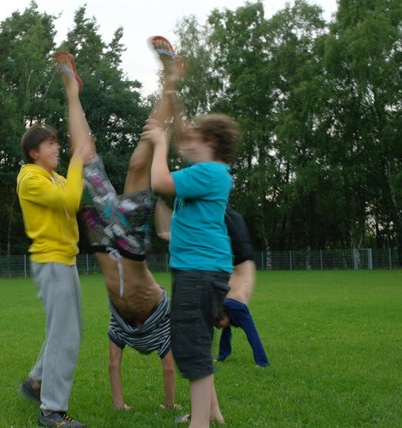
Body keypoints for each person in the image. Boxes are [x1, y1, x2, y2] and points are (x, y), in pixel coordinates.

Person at [75, 36, 183, 411]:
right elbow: (168, 366)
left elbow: (113, 364)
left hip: (106, 241)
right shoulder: (162, 325)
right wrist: (169, 405)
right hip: (131, 247)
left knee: (85, 160)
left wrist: (120, 405)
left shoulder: (119, 325)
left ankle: (71, 92)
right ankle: (171, 79)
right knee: (140, 163)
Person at [147, 80, 241, 426]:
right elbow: (187, 140)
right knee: (198, 339)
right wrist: (174, 101)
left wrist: (160, 143)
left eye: (195, 138)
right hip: (202, 270)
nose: (186, 143)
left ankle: (199, 423)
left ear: (211, 143)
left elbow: (159, 181)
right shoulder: (211, 171)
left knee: (191, 346)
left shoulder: (208, 172)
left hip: (199, 272)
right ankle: (212, 412)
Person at [16, 51, 93, 428]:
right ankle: (51, 410)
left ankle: (35, 382)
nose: (57, 148)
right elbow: (71, 201)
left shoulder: (55, 177)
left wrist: (73, 95)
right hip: (51, 261)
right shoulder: (30, 177)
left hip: (65, 260)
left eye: (57, 143)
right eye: (50, 144)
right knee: (66, 335)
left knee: (66, 331)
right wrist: (77, 160)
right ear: (34, 152)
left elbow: (74, 187)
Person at [216, 207, 269, 367]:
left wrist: (262, 362)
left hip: (241, 257)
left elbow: (253, 335)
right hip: (241, 257)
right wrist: (221, 357)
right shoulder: (229, 310)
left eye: (218, 325)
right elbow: (227, 335)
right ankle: (219, 202)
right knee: (232, 216)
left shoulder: (233, 307)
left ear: (224, 317)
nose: (219, 328)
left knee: (224, 214)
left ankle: (262, 362)